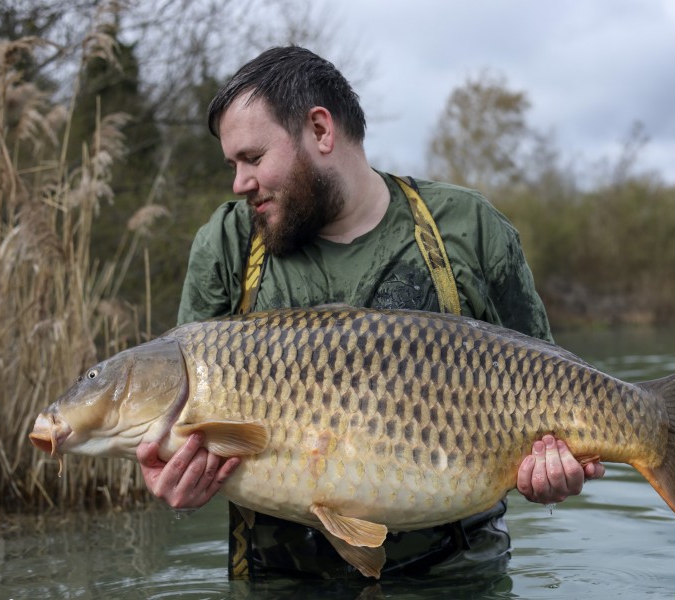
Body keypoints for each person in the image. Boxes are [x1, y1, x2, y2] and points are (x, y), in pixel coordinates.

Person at [136, 46, 605, 580]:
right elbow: (181, 418)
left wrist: (553, 474)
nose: (239, 182)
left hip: (456, 579)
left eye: (253, 158)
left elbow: (552, 390)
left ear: (320, 130)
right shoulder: (226, 245)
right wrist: (170, 475)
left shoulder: (470, 229)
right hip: (280, 580)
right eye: (234, 164)